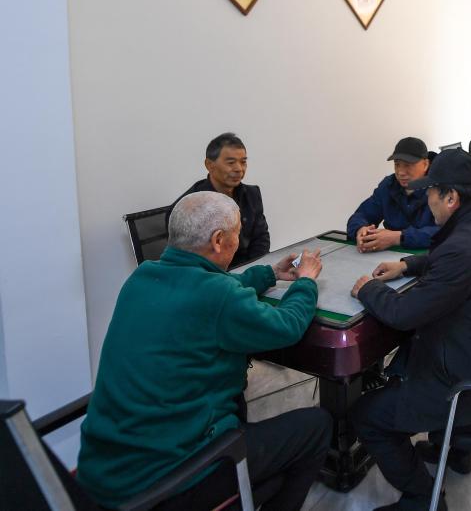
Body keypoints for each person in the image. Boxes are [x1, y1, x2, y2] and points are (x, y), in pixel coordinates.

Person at [77, 191, 329, 511]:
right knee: (317, 427)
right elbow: (287, 326)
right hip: (164, 484)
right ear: (219, 240)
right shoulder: (218, 295)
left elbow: (207, 288)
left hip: (102, 472)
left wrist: (269, 274)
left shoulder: (141, 277)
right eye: (237, 233)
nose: (239, 240)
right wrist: (306, 281)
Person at [349, 149, 471, 511]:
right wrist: (407, 265)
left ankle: (422, 499)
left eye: (431, 191)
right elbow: (444, 259)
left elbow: (403, 314)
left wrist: (367, 289)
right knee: (409, 357)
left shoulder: (463, 246)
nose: (426, 198)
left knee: (367, 415)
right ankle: (456, 452)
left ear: (450, 197)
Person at [174, 132, 269, 269]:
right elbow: (191, 259)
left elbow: (261, 239)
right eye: (231, 163)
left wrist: (252, 269)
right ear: (209, 165)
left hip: (250, 267)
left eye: (243, 162)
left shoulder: (252, 194)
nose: (239, 169)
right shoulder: (190, 206)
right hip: (213, 274)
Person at [347, 137, 440, 252]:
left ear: (425, 164)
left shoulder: (441, 189)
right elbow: (362, 214)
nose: (400, 172)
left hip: (431, 257)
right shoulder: (388, 186)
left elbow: (447, 231)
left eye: (407, 165)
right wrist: (360, 229)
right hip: (389, 256)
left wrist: (399, 237)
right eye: (397, 164)